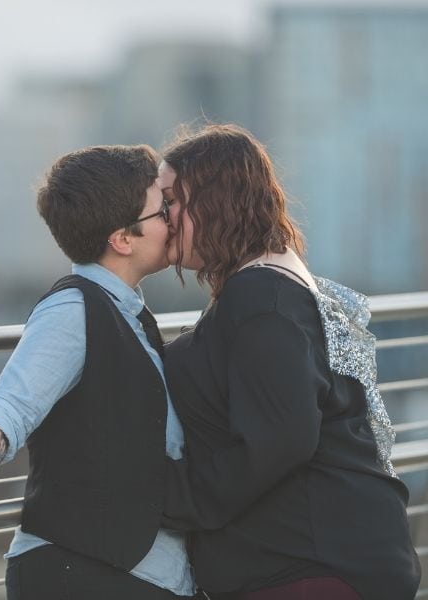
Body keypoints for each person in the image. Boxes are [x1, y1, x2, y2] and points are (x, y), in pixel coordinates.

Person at [0, 144, 198, 600]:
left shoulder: (126, 314)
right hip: (83, 576)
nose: (175, 217)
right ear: (122, 238)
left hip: (128, 575)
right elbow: (7, 408)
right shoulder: (73, 311)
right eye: (163, 208)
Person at [156, 123, 421, 600]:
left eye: (172, 199)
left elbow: (282, 438)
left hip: (312, 569)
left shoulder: (261, 297)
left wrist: (167, 495)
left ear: (216, 201)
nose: (163, 216)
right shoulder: (272, 284)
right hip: (320, 559)